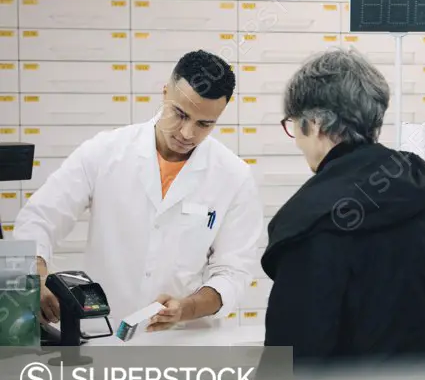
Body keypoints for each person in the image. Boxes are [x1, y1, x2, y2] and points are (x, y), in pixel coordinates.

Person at [14, 50, 263, 329]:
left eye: (204, 124)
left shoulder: (234, 176)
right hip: (104, 333)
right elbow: (40, 218)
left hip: (184, 341)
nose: (187, 134)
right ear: (165, 93)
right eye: (179, 114)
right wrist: (36, 276)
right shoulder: (104, 152)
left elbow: (232, 272)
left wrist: (187, 307)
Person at [261, 48, 425, 365]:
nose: (295, 138)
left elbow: (295, 358)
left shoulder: (309, 222)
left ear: (316, 123)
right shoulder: (422, 192)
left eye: (294, 124)